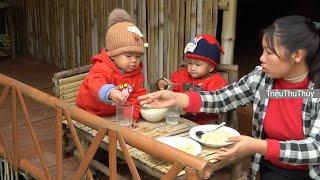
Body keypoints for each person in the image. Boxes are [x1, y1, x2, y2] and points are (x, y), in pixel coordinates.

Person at [138, 15, 320, 180]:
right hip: (269, 166)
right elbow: (223, 98)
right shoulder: (262, 78)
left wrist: (258, 146)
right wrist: (178, 98)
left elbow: (316, 149)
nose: (261, 58)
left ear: (297, 55)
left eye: (269, 52)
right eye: (262, 50)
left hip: (308, 172)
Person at [76, 9, 148, 126]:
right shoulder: (102, 67)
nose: (134, 60)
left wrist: (132, 117)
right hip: (89, 112)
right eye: (128, 55)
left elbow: (136, 97)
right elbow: (95, 83)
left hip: (113, 114)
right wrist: (110, 92)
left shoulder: (136, 74)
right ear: (113, 55)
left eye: (138, 56)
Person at [156, 34, 227, 124]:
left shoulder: (216, 81)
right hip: (181, 119)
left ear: (211, 67)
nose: (192, 68)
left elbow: (214, 105)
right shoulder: (182, 74)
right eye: (190, 63)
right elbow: (173, 87)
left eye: (197, 65)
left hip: (205, 122)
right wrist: (165, 84)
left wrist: (188, 107)